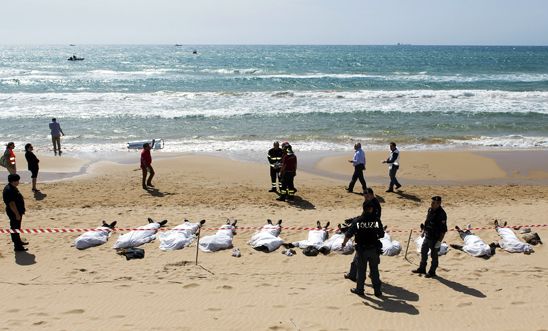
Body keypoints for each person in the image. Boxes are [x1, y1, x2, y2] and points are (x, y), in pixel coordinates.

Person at [341, 204, 384, 297]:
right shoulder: (376, 220)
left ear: (363, 209)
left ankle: (360, 289)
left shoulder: (358, 221)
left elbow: (349, 234)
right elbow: (381, 234)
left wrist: (344, 243)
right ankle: (377, 291)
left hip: (362, 250)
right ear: (371, 209)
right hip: (373, 249)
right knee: (374, 270)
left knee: (361, 270)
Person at [412, 196, 447, 278]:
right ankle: (422, 268)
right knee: (423, 252)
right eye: (431, 202)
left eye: (433, 203)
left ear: (438, 204)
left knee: (434, 256)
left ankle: (432, 272)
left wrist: (439, 241)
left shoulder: (442, 214)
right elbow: (427, 222)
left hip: (435, 238)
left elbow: (443, 230)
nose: (431, 204)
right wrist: (423, 231)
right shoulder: (430, 210)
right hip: (427, 236)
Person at [3, 174, 28, 251]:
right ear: (12, 181)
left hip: (17, 211)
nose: (18, 182)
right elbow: (11, 204)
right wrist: (17, 214)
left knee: (17, 228)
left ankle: (19, 242)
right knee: (14, 228)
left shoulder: (12, 187)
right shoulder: (9, 190)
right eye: (17, 180)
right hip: (14, 212)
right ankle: (17, 246)